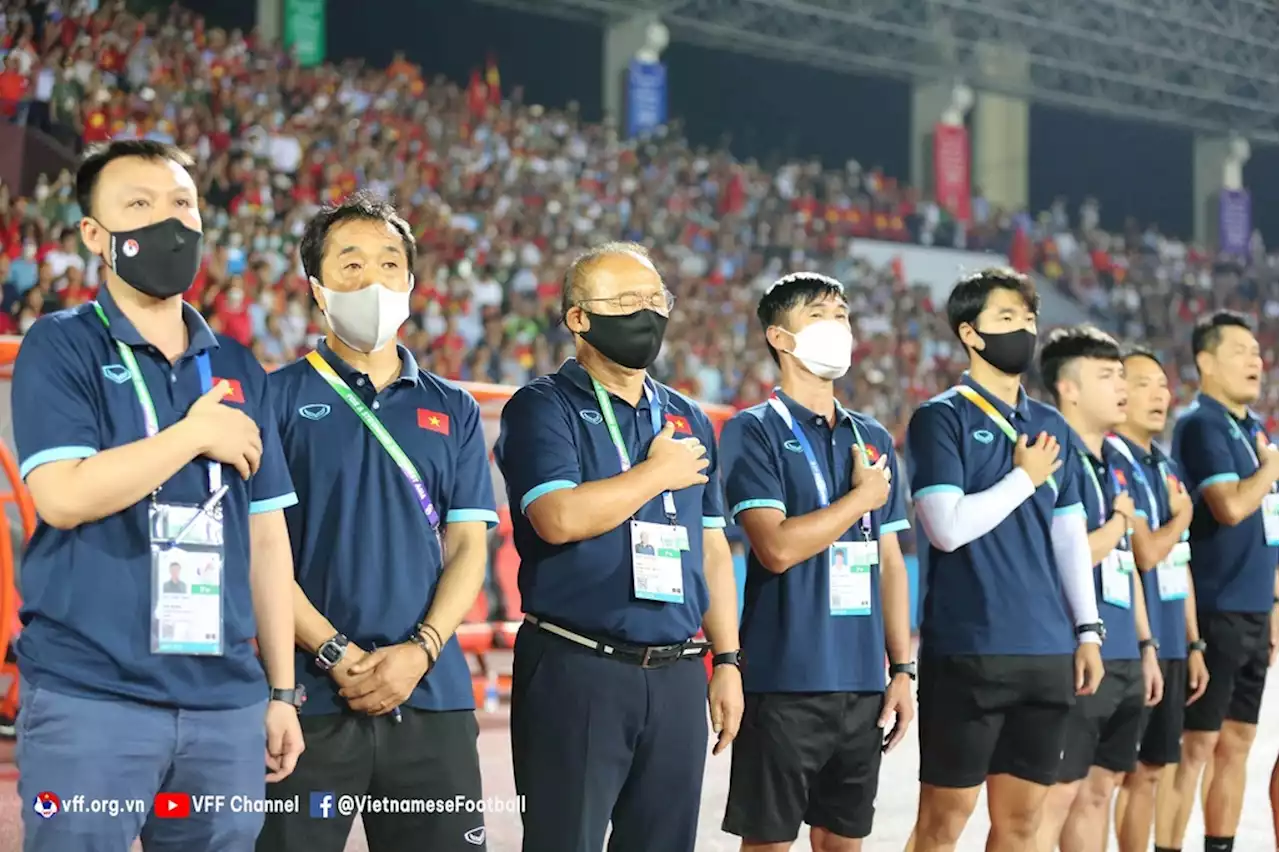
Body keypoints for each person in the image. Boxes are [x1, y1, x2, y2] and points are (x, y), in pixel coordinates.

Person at [12, 139, 303, 852]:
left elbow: (267, 542)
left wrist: (280, 692)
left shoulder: (237, 365)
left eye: (181, 205)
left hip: (226, 704)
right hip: (93, 696)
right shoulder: (61, 346)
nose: (167, 224)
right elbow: (62, 497)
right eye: (137, 206)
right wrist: (192, 434)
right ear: (94, 235)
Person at [256, 193, 497, 852]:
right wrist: (337, 654)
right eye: (351, 263)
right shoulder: (273, 399)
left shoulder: (454, 408)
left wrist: (420, 651)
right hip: (307, 700)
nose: (373, 280)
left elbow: (470, 545)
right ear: (317, 287)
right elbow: (259, 553)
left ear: (412, 285)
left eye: (390, 263)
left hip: (431, 696)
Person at [493, 241, 744, 852]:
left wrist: (729, 662)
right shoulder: (542, 406)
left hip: (679, 672)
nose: (647, 313)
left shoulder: (686, 415)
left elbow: (710, 549)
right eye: (627, 301)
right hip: (580, 668)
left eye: (656, 300)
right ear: (579, 318)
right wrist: (655, 473)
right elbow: (557, 517)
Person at [905, 268, 1104, 852]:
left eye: (1029, 318)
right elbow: (946, 529)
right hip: (969, 649)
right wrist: (1024, 478)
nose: (1025, 329)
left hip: (1047, 651)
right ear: (969, 333)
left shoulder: (1051, 425)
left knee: (1021, 826)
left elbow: (1069, 536)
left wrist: (1088, 630)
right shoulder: (940, 418)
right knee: (943, 824)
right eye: (1007, 319)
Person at [718, 272, 914, 852]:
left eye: (843, 315)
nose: (839, 328)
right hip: (783, 683)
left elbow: (891, 563)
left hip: (861, 684)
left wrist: (902, 671)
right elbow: (774, 547)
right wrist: (859, 498)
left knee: (844, 843)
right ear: (780, 337)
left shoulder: (871, 436)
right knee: (769, 843)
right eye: (821, 315)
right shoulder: (752, 430)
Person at [1032, 326, 1163, 852]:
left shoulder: (1115, 463)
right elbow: (1064, 556)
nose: (1123, 387)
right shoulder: (1049, 455)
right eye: (1107, 376)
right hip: (1073, 652)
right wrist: (1116, 525)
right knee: (1054, 798)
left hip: (1124, 651)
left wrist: (1148, 645)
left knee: (1100, 791)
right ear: (1069, 389)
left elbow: (1128, 563)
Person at [1168, 310, 1280, 852]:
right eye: (1240, 350)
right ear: (1205, 361)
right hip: (1213, 608)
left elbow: (1270, 528)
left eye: (1257, 351)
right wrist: (1270, 469)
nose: (1256, 359)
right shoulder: (1201, 424)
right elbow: (1231, 506)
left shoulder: (1254, 430)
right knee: (1196, 747)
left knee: (1238, 743)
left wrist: (1275, 605)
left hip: (1256, 612)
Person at [1110, 346, 1209, 852]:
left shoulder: (1165, 466)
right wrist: (1183, 518)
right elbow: (1147, 553)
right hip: (1130, 644)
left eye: (1163, 385)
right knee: (1113, 778)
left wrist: (1193, 644)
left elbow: (1179, 561)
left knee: (1152, 770)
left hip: (1171, 641)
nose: (1160, 394)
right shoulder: (1113, 461)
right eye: (1145, 383)